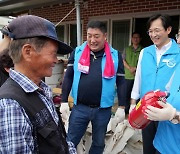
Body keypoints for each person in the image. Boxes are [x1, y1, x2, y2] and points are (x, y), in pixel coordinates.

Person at [0, 15, 76, 154]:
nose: (56, 60)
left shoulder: (41, 90)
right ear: (28, 52)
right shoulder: (11, 104)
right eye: (52, 53)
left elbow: (60, 139)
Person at [61, 20, 126, 154]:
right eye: (89, 35)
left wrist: (122, 107)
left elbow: (121, 82)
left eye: (96, 36)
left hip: (103, 110)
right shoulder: (78, 52)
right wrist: (63, 101)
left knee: (98, 142)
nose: (92, 40)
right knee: (71, 140)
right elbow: (68, 77)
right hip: (80, 108)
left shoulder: (115, 55)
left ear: (105, 36)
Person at [130, 14, 180, 154]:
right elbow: (138, 78)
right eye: (150, 31)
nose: (153, 35)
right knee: (148, 148)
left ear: (168, 29)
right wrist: (133, 103)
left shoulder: (178, 53)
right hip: (146, 109)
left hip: (167, 112)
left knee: (163, 148)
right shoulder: (145, 52)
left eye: (157, 30)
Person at [144, 28, 180, 153]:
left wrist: (175, 115)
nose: (178, 41)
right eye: (179, 35)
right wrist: (160, 95)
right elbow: (170, 91)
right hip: (162, 143)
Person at [122, 32, 143, 114]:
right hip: (127, 75)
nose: (135, 39)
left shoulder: (143, 50)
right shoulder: (127, 49)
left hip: (138, 76)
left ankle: (136, 111)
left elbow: (144, 62)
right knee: (126, 94)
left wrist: (136, 68)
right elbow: (123, 60)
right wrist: (130, 68)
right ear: (131, 38)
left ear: (140, 39)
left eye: (137, 37)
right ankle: (126, 110)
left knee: (137, 94)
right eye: (134, 37)